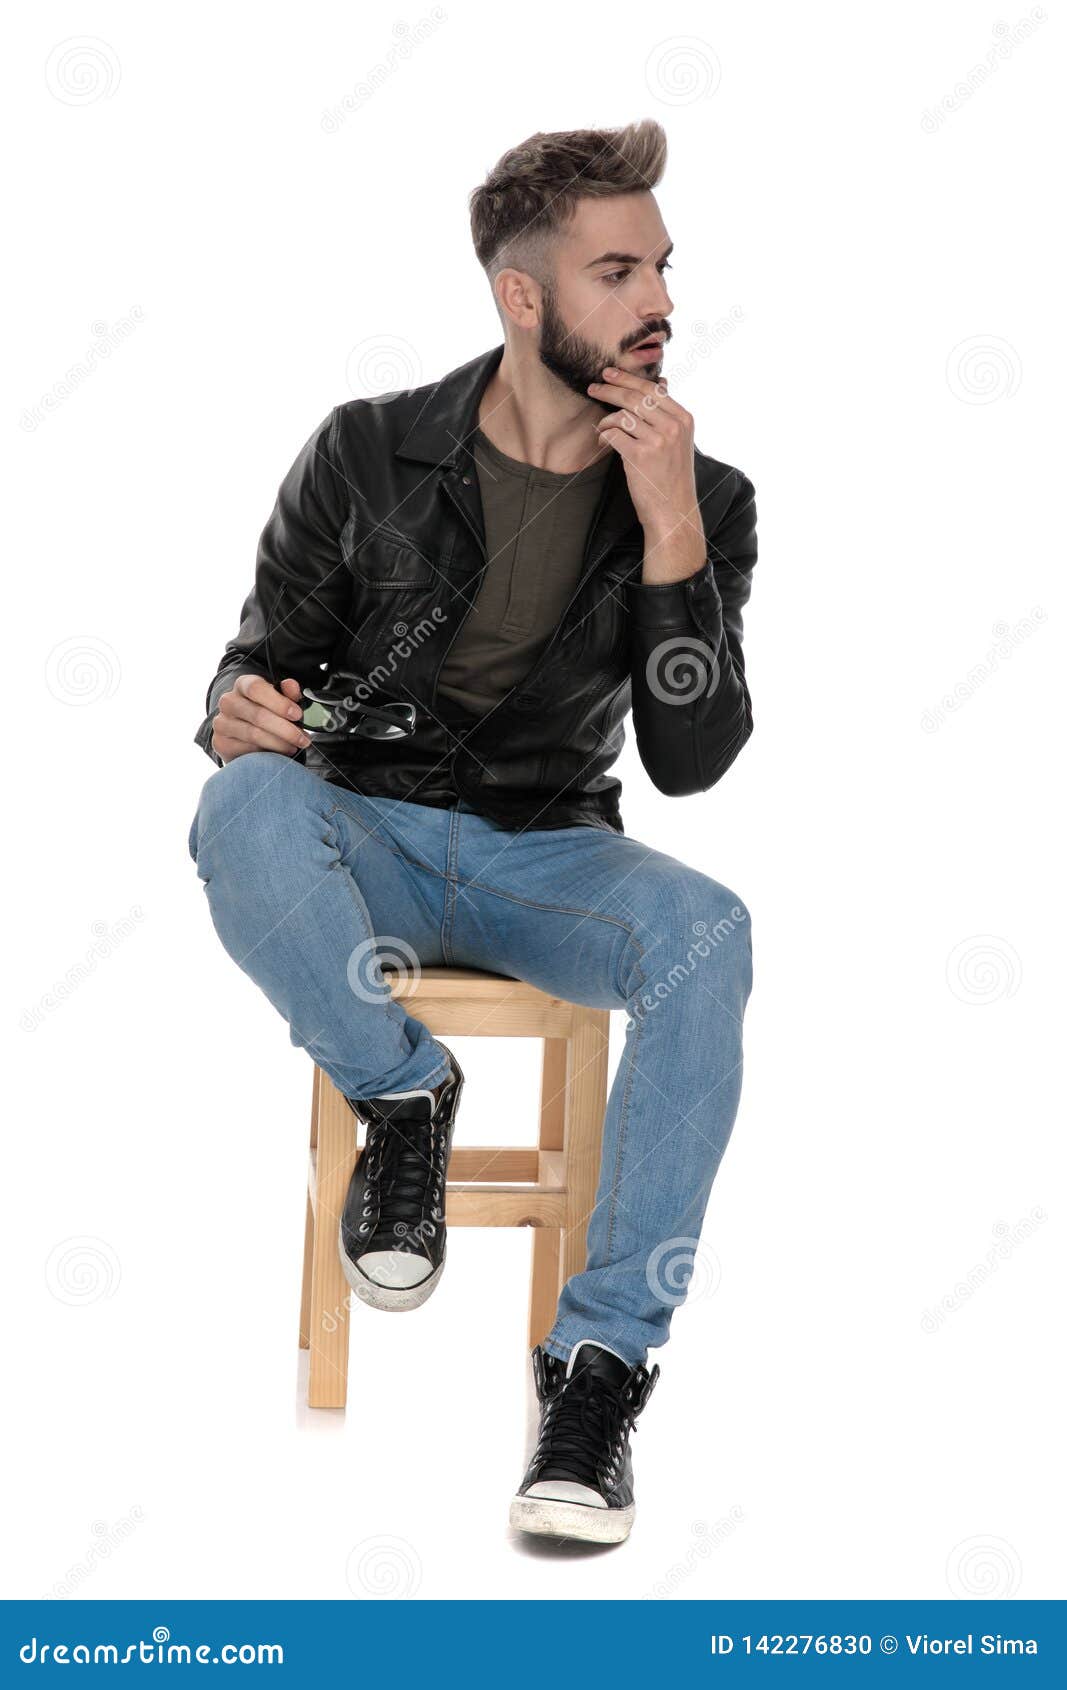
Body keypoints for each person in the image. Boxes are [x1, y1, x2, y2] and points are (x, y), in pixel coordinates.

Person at [187, 119, 757, 1546]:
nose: (658, 304)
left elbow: (692, 762)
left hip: (543, 855)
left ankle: (598, 1369)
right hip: (362, 825)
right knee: (238, 804)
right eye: (616, 272)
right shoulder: (372, 451)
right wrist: (238, 712)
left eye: (663, 270)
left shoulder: (702, 493)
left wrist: (673, 533)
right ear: (524, 297)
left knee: (709, 931)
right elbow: (262, 657)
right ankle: (404, 1095)